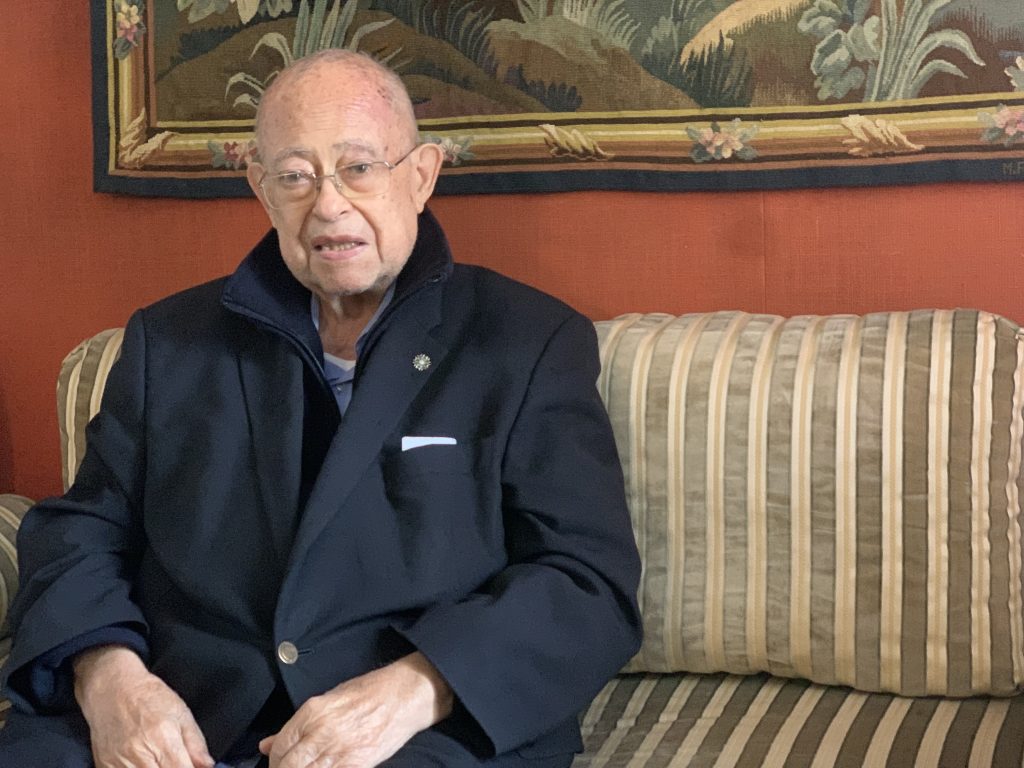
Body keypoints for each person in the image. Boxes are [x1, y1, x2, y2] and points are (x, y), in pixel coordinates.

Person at [0, 49, 642, 768]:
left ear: (422, 174)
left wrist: (416, 688)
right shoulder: (169, 340)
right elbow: (83, 531)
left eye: (360, 167)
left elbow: (586, 580)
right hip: (186, 714)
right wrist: (110, 678)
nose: (329, 204)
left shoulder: (527, 340)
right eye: (297, 176)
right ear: (261, 188)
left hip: (412, 726)